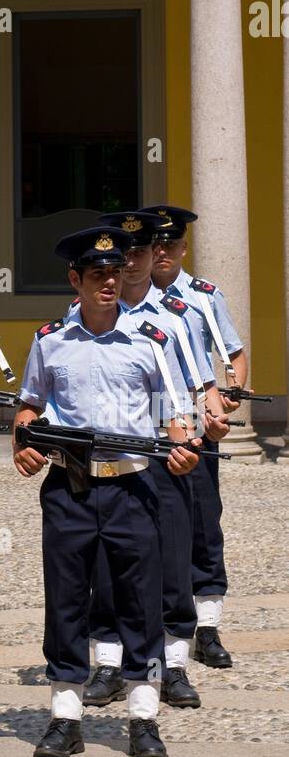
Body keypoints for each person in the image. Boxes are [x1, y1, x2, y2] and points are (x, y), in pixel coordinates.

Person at [14, 226, 200, 757]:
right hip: (69, 487)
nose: (109, 282)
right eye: (97, 274)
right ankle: (65, 717)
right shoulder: (50, 341)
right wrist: (27, 446)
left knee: (141, 600)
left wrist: (183, 450)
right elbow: (28, 409)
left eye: (116, 272)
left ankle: (143, 718)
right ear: (75, 279)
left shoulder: (151, 341)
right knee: (67, 601)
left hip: (135, 485)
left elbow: (173, 414)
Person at [81, 211, 230, 711]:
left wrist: (201, 425)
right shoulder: (83, 316)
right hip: (106, 460)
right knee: (107, 569)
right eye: (125, 255)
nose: (134, 262)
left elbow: (196, 385)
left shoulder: (171, 319)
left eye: (142, 253)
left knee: (170, 562)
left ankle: (174, 665)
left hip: (163, 455)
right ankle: (106, 663)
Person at [143, 204, 245, 668]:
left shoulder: (203, 296)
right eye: (154, 244)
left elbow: (233, 353)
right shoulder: (123, 297)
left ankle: (206, 626)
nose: (162, 251)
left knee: (203, 522)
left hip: (193, 413)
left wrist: (228, 398)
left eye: (170, 244)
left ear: (183, 248)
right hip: (142, 420)